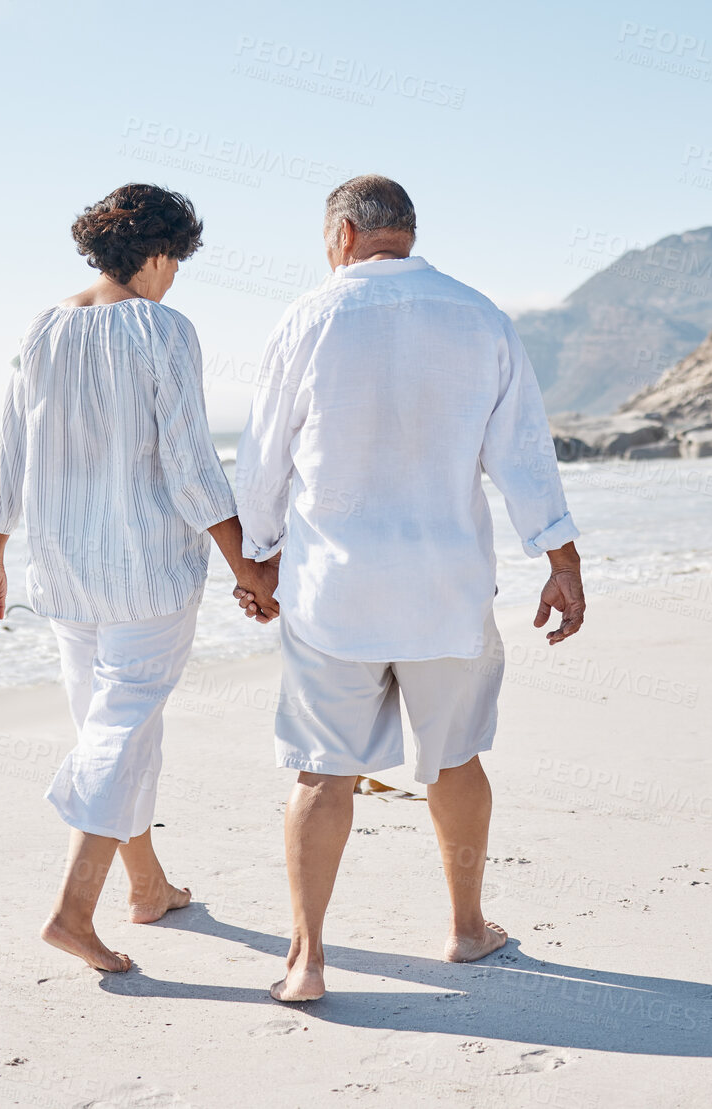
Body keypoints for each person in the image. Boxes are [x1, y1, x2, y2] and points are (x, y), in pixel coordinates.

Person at [232, 175, 587, 1002]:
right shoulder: (478, 315)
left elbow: (261, 459)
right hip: (444, 587)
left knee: (322, 771)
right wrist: (560, 562)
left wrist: (258, 560)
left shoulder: (306, 316)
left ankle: (306, 960)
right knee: (453, 759)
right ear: (407, 233)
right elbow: (523, 454)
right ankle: (466, 929)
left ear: (344, 236)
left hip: (332, 593)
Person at [0, 183, 279, 973]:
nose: (175, 275)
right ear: (154, 255)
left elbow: (10, 444)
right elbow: (188, 462)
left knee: (112, 726)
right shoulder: (161, 327)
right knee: (120, 730)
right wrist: (246, 565)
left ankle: (147, 887)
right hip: (145, 567)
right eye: (176, 260)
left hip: (64, 567)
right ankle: (73, 912)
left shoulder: (45, 326)